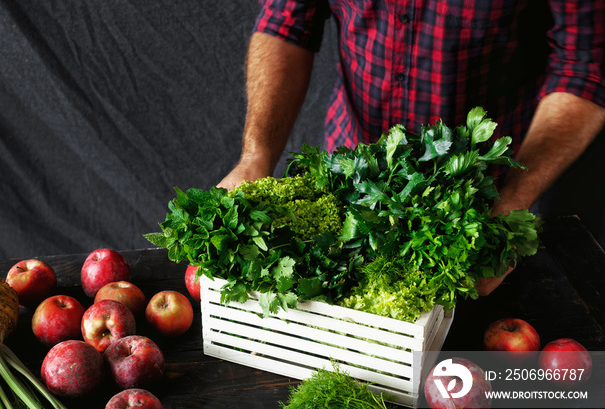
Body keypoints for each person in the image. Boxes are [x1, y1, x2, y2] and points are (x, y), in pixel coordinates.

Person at [218, 0, 605, 295]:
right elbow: (286, 22)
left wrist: (511, 205)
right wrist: (256, 156)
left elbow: (584, 66)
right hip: (348, 172)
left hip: (480, 201)